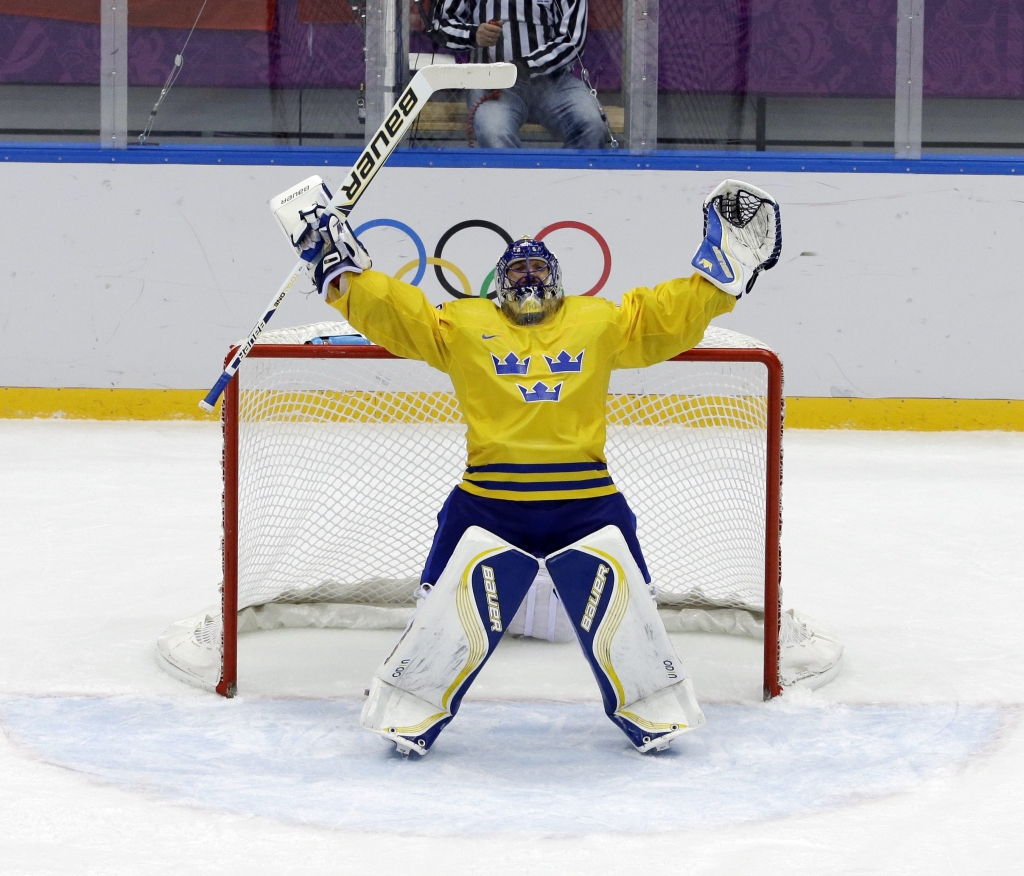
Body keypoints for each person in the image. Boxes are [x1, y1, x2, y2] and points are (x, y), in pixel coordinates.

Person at [276, 178, 781, 756]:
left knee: (633, 608)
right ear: (497, 285)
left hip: (587, 499)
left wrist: (719, 279)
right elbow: (398, 313)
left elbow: (663, 317)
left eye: (539, 270)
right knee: (437, 610)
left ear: (559, 280)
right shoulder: (463, 326)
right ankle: (410, 703)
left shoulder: (596, 321)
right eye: (516, 273)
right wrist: (341, 274)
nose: (529, 279)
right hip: (488, 499)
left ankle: (653, 704)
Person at [428, 1, 608, 149]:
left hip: (555, 82)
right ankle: (515, 192)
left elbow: (572, 40)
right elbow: (440, 25)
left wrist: (525, 66)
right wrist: (473, 35)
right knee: (494, 134)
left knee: (592, 125)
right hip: (492, 81)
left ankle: (565, 188)